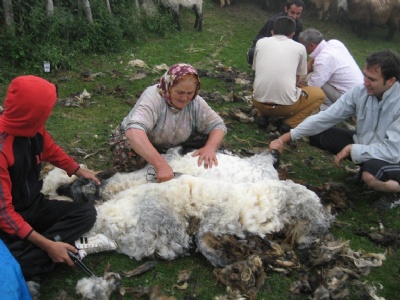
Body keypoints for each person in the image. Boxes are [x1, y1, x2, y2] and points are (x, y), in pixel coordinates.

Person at [0, 75, 117, 281]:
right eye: (46, 110)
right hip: (6, 221)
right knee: (17, 263)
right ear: (32, 113)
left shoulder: (33, 129)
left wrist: (79, 170)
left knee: (86, 213)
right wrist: (48, 245)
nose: (50, 114)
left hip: (33, 206)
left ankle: (41, 251)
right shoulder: (2, 150)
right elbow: (5, 214)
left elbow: (51, 151)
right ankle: (51, 250)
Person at [269, 49, 400, 210]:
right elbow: (328, 116)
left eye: (372, 79)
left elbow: (393, 151)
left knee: (370, 176)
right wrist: (284, 138)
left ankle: (394, 191)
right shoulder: (361, 92)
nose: (365, 82)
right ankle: (366, 167)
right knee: (318, 134)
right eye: (365, 75)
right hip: (367, 143)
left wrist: (353, 148)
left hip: (395, 156)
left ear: (391, 81)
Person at [108, 63, 227, 182]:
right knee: (130, 157)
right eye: (179, 93)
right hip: (142, 140)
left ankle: (172, 160)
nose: (185, 98)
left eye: (189, 93)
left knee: (212, 142)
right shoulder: (153, 98)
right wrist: (161, 165)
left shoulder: (195, 102)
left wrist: (210, 148)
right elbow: (134, 132)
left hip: (173, 142)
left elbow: (218, 125)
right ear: (168, 87)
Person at [252, 16, 325, 133]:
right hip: (286, 108)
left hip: (258, 101)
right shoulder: (300, 48)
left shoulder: (260, 43)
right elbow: (297, 80)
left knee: (261, 83)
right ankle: (289, 124)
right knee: (320, 94)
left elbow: (256, 71)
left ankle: (262, 116)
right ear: (292, 34)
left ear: (272, 32)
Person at [298, 28, 364, 110]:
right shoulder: (335, 43)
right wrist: (310, 63)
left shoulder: (323, 59)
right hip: (360, 93)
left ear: (311, 45)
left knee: (311, 80)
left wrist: (297, 86)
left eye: (303, 45)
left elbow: (313, 86)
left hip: (350, 100)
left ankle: (330, 108)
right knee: (315, 77)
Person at [247, 0, 305, 65]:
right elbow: (267, 42)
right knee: (253, 53)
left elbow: (297, 44)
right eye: (292, 12)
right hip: (268, 48)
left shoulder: (299, 25)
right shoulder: (274, 22)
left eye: (298, 14)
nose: (294, 16)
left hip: (286, 50)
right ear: (286, 9)